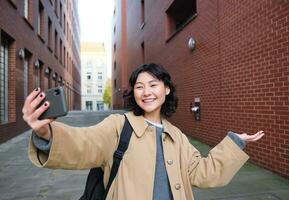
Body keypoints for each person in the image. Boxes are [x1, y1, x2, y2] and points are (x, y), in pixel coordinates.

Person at [23, 63, 264, 200]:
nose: (146, 92)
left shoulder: (176, 135)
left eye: (153, 85)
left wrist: (234, 143)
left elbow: (203, 173)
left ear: (166, 90)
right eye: (139, 86)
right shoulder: (118, 126)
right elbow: (83, 143)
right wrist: (47, 134)